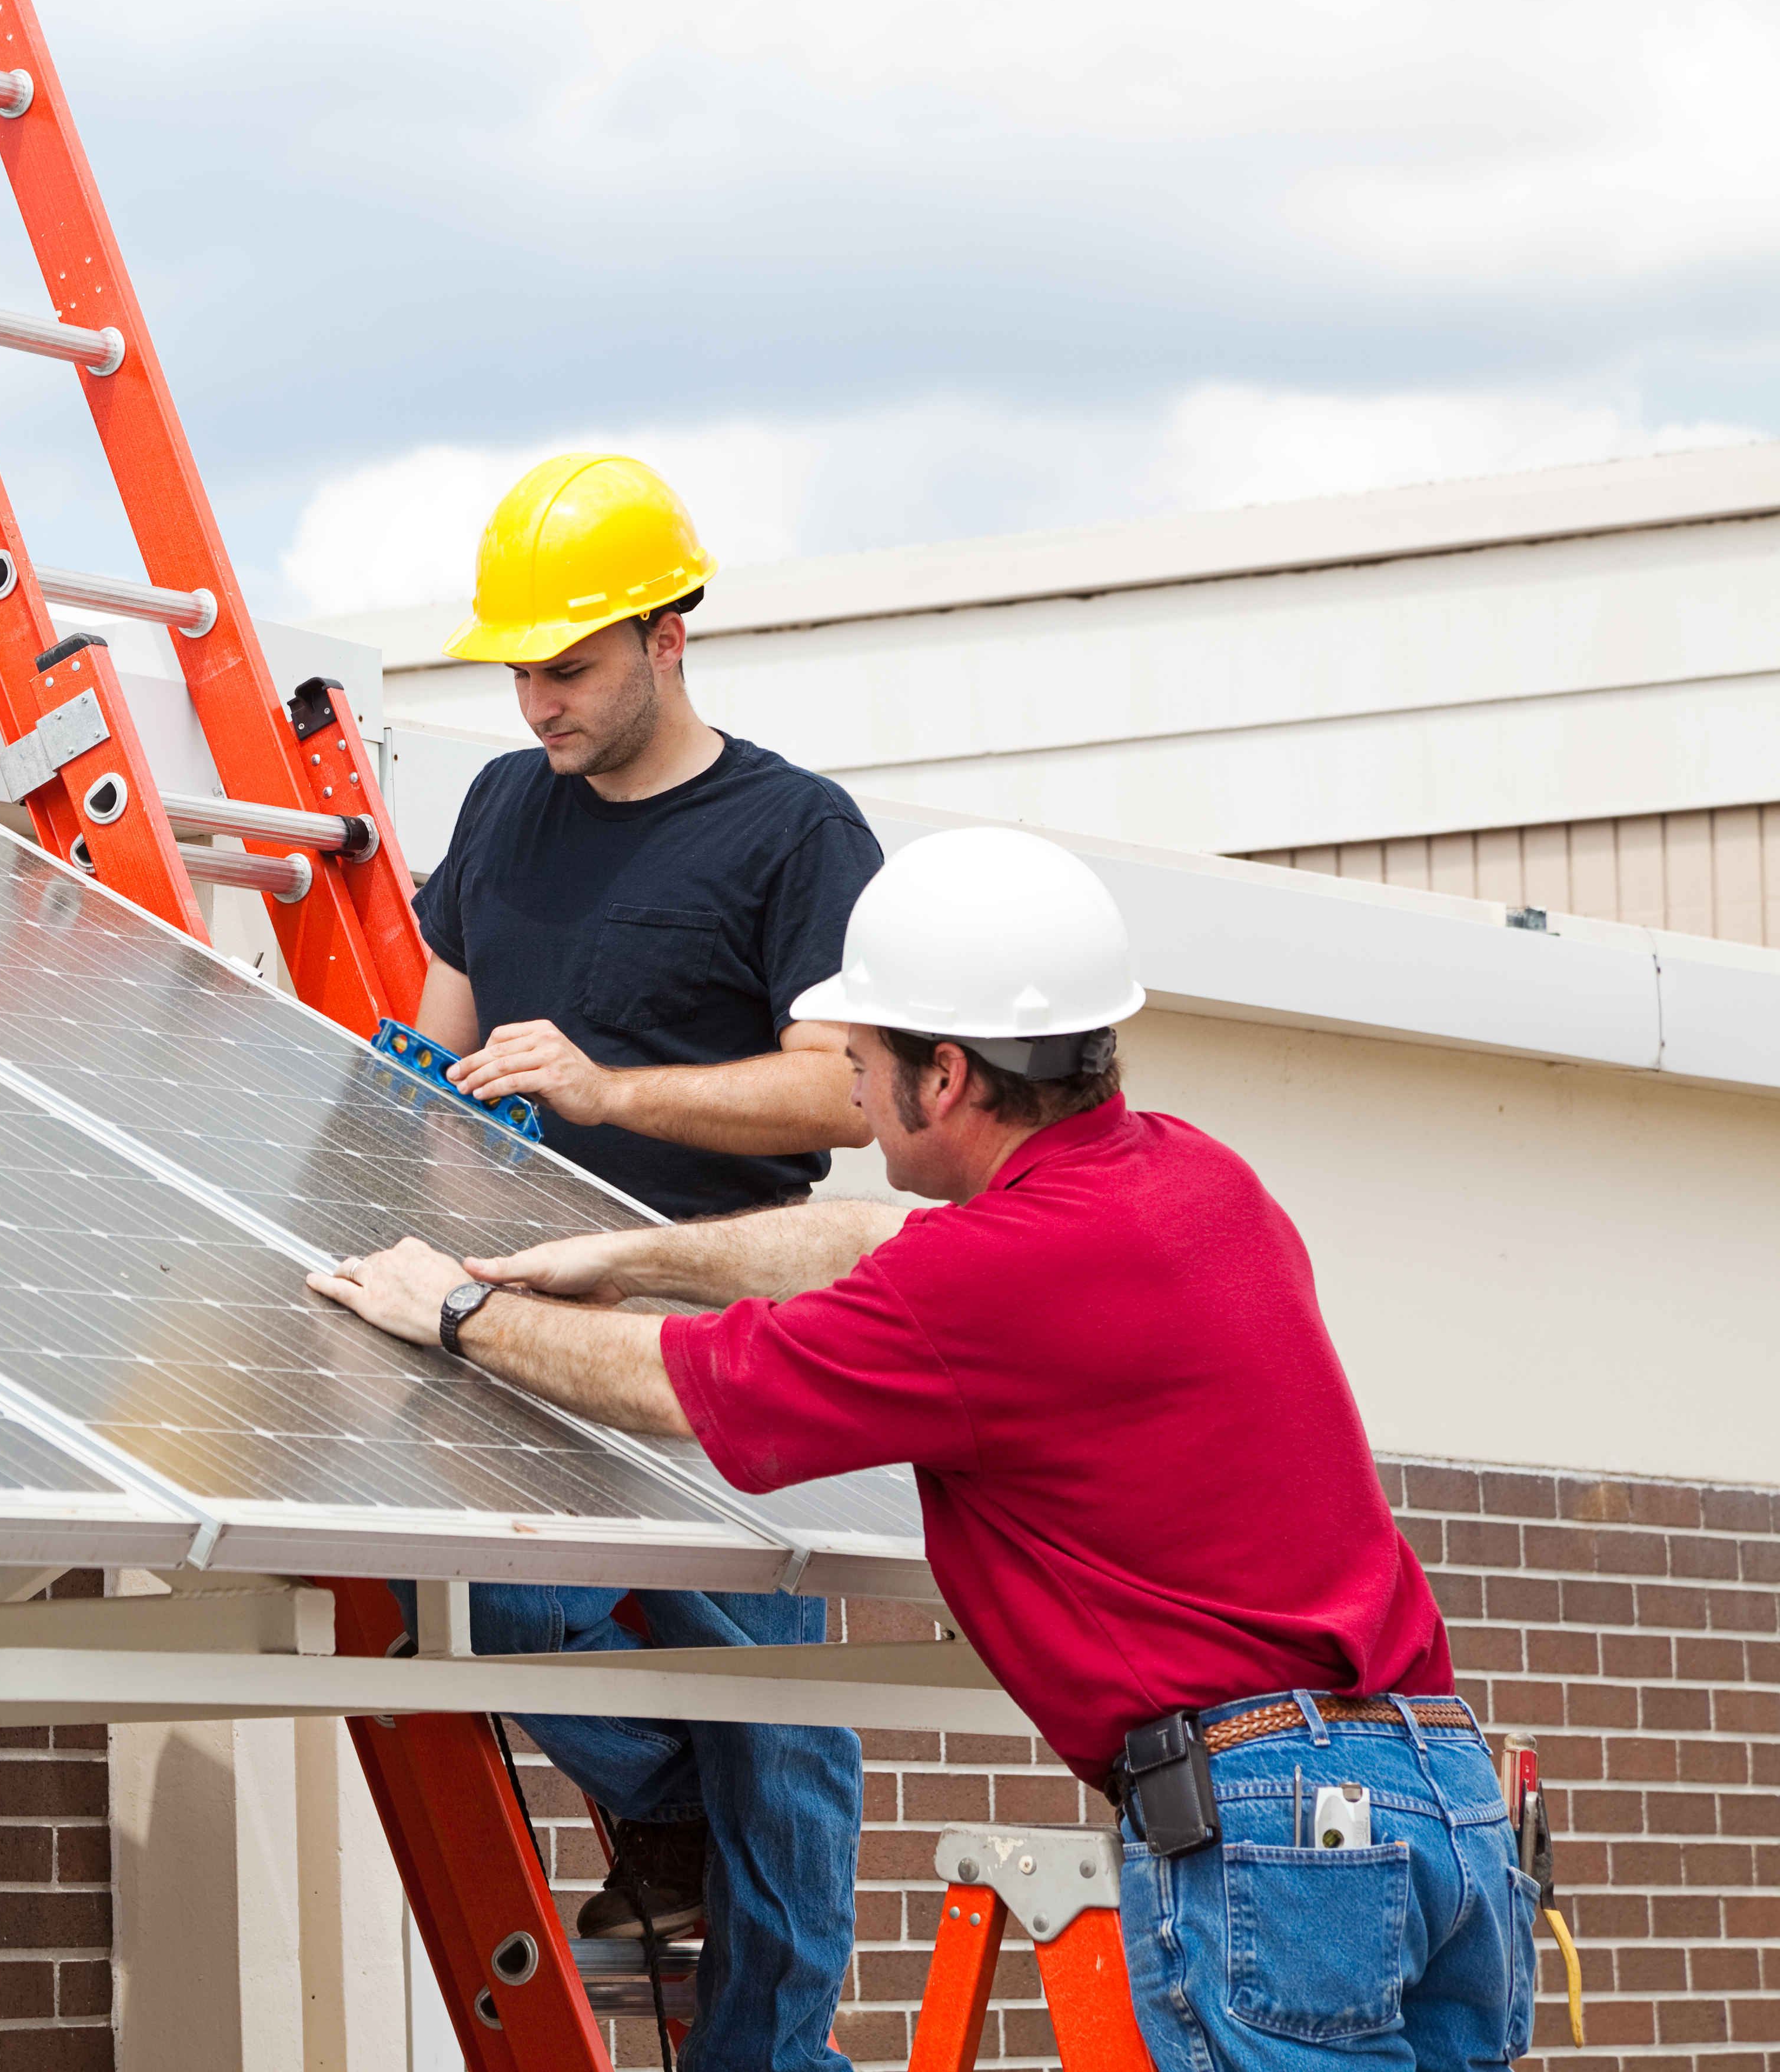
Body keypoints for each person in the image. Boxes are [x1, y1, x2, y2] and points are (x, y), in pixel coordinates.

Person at [314, 827, 1528, 2072]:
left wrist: (459, 1313)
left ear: (942, 1077)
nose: (849, 1093)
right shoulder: (1196, 1179)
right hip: (1439, 1793)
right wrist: (625, 1256)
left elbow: (697, 1384)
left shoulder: (987, 1281)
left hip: (1275, 1830)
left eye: (861, 1059)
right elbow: (858, 1243)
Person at [410, 451, 880, 2070]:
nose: (537, 700)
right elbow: (426, 1049)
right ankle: (673, 1815)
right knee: (492, 1627)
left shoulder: (797, 833)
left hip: (717, 1323)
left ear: (669, 639)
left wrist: (608, 1091)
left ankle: (772, 2058)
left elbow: (846, 1093)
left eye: (571, 666)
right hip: (523, 1316)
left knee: (780, 1719)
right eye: (521, 668)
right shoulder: (497, 812)